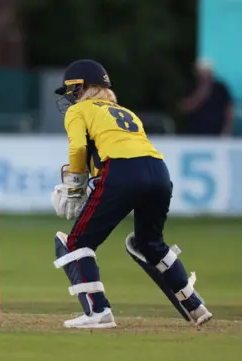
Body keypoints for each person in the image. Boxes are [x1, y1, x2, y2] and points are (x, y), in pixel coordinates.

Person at [50, 59, 212, 329]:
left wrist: (75, 187)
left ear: (82, 87)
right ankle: (195, 305)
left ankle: (98, 312)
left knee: (77, 242)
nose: (69, 97)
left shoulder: (78, 111)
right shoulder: (126, 112)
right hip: (159, 171)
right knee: (150, 243)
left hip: (121, 171)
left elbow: (79, 149)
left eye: (72, 90)